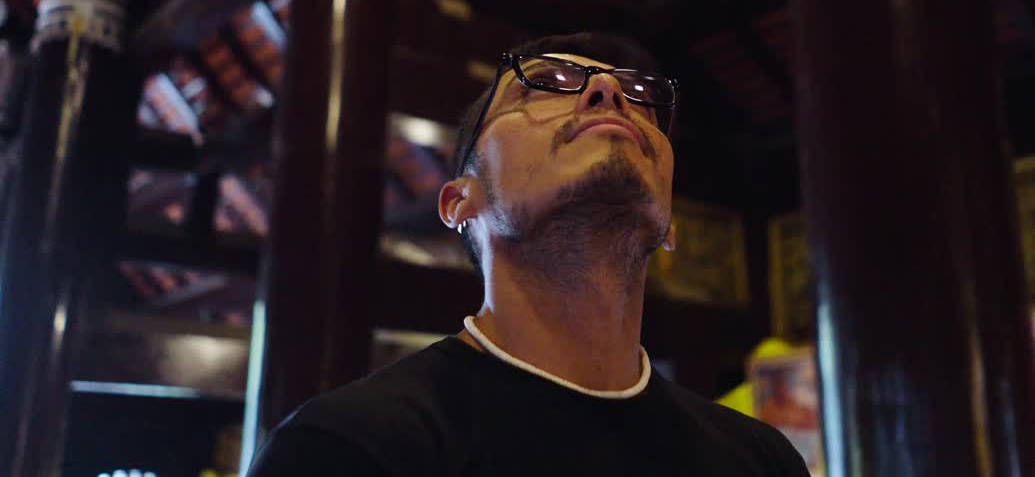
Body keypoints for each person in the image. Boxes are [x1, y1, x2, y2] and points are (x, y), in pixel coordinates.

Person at [247, 32, 809, 476]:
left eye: (637, 97)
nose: (608, 93)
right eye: (544, 84)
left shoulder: (761, 460)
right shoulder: (350, 447)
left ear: (670, 226)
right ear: (459, 201)